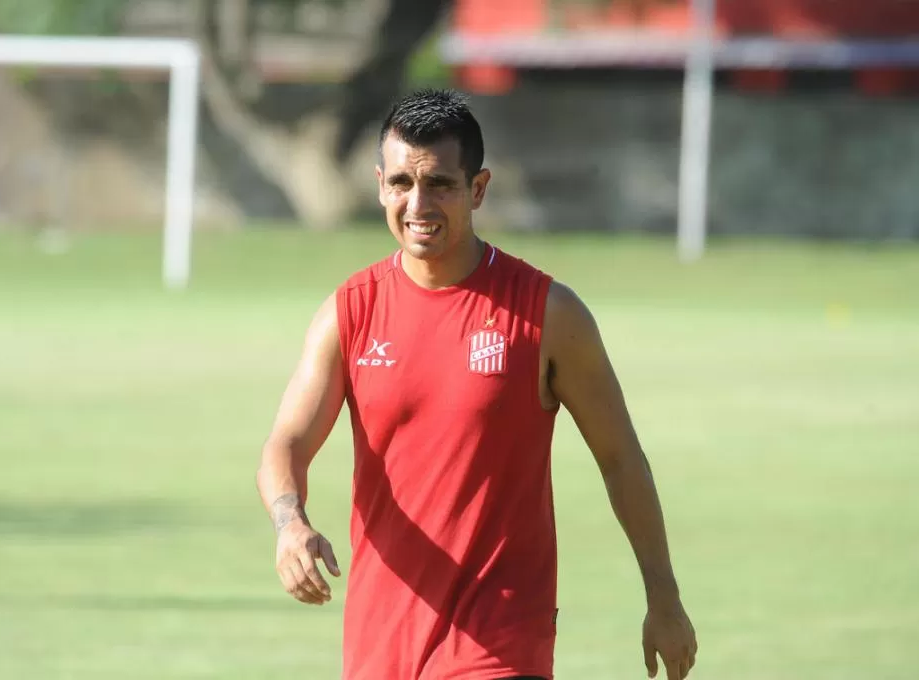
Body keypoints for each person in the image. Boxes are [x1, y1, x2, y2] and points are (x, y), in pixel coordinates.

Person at [256, 88, 697, 680]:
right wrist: (291, 524)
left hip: (501, 642)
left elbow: (621, 460)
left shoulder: (547, 314)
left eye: (439, 184)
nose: (418, 204)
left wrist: (662, 597)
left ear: (478, 189)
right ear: (380, 183)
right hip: (380, 643)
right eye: (400, 184)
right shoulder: (349, 313)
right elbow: (286, 443)